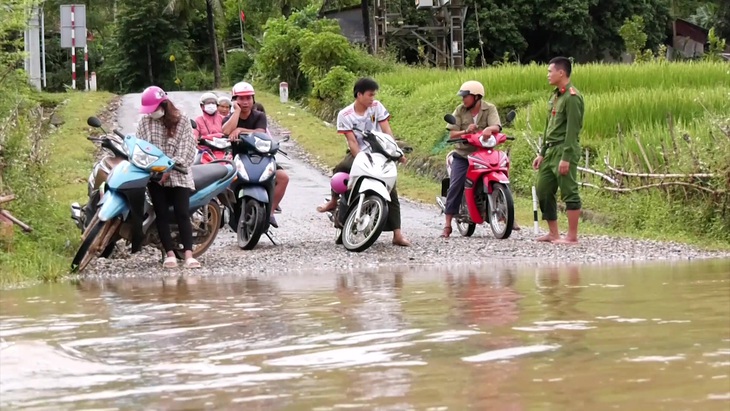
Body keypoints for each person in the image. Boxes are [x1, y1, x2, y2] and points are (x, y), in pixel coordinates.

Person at [316, 77, 411, 247]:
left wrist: (396, 152)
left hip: (381, 154)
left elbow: (386, 130)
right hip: (358, 153)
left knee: (392, 190)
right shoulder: (345, 115)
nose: (372, 98)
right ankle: (333, 200)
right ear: (359, 95)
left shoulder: (377, 107)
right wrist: (362, 159)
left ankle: (397, 234)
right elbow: (352, 142)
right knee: (340, 169)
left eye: (374, 95)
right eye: (370, 95)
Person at [136, 86, 200, 269]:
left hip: (179, 174)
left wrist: (169, 169)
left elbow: (186, 148)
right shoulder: (144, 122)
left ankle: (189, 254)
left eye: (154, 109)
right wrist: (153, 170)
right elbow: (140, 146)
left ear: (163, 105)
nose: (151, 114)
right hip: (154, 176)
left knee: (182, 212)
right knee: (161, 214)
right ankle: (169, 254)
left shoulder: (182, 121)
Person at [222, 81, 289, 228]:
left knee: (283, 178)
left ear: (253, 99)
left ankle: (270, 211)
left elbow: (261, 132)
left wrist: (240, 129)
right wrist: (237, 113)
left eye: (248, 98)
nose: (245, 102)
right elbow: (226, 131)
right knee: (223, 181)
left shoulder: (259, 116)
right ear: (234, 100)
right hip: (238, 159)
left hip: (262, 158)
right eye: (240, 98)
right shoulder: (230, 117)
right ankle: (226, 211)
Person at [533, 56, 585, 244]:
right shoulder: (555, 96)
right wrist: (541, 152)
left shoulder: (572, 97)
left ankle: (571, 236)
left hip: (564, 149)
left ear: (561, 73)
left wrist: (566, 157)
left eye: (550, 71)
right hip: (550, 151)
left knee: (569, 191)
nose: (548, 74)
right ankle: (553, 233)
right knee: (543, 189)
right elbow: (549, 128)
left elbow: (573, 130)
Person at [442, 80, 503, 238]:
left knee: (501, 174)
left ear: (476, 97)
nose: (463, 99)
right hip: (464, 155)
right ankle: (447, 224)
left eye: (465, 96)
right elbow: (452, 134)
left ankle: (506, 213)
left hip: (483, 154)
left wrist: (489, 129)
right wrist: (465, 131)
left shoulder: (489, 108)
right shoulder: (460, 110)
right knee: (455, 186)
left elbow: (496, 126)